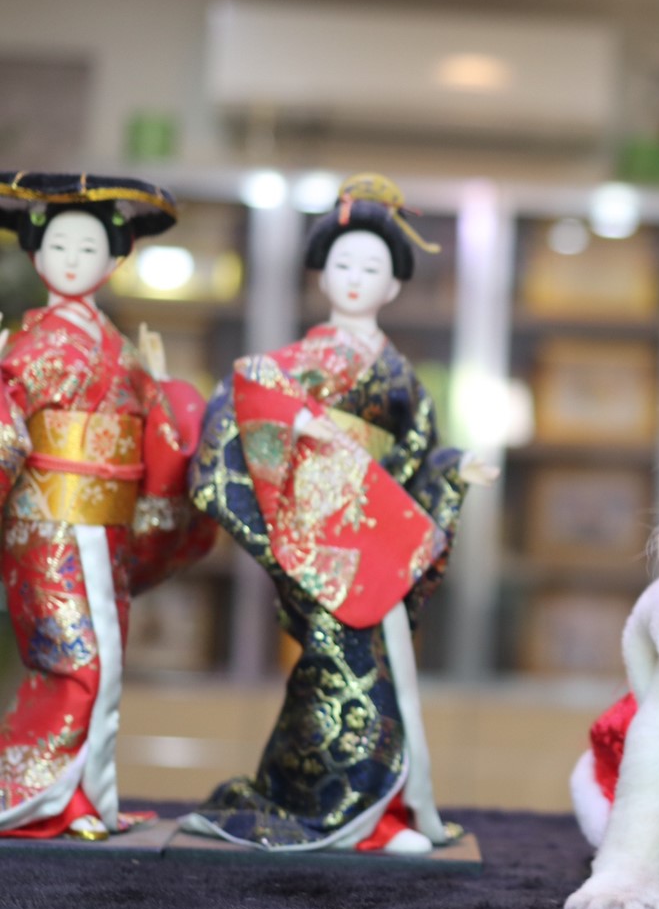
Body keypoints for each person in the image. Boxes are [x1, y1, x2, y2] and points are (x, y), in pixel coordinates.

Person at [179, 174, 496, 853]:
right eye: (344, 264)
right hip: (316, 536)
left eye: (371, 269)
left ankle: (370, 808)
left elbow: (416, 460)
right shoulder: (288, 364)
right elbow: (241, 407)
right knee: (345, 664)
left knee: (379, 666)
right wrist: (294, 424)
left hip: (376, 531)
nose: (355, 278)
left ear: (395, 287)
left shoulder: (403, 379)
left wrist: (453, 471)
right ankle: (348, 815)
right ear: (322, 274)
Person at [0, 171, 213, 839]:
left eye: (89, 248)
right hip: (48, 525)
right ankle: (45, 797)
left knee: (108, 661)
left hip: (109, 525)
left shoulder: (120, 349)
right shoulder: (24, 347)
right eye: (59, 246)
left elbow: (162, 431)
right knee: (75, 659)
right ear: (34, 252)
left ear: (116, 260)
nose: (72, 259)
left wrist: (169, 394)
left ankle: (88, 798)